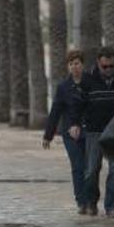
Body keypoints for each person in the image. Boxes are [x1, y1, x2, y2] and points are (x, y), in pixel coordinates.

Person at [83, 46, 114, 217]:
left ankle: (111, 206)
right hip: (94, 132)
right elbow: (79, 104)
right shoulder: (88, 80)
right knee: (91, 170)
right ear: (98, 63)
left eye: (111, 66)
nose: (109, 70)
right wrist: (76, 123)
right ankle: (91, 202)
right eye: (105, 67)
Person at [42, 49, 90, 214]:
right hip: (69, 133)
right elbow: (55, 111)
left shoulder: (90, 83)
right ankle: (81, 201)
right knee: (77, 166)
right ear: (68, 67)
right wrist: (48, 135)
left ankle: (91, 199)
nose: (74, 67)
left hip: (89, 131)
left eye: (77, 63)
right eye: (71, 64)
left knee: (90, 167)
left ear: (82, 64)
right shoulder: (63, 87)